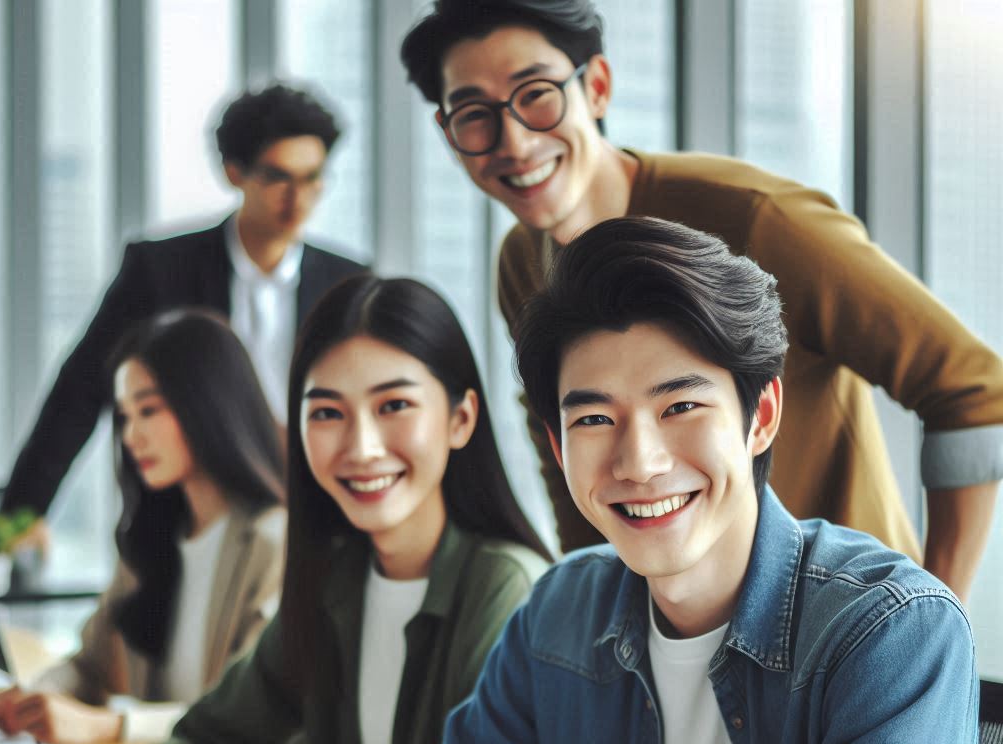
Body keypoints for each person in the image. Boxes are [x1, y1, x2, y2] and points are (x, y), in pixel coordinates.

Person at [357, 218, 1003, 744]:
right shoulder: (560, 617)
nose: (639, 461)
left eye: (681, 405)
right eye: (594, 420)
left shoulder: (893, 633)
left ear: (761, 416)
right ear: (556, 444)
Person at [400, 0, 1003, 603]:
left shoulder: (756, 218)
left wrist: (934, 614)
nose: (514, 140)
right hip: (676, 629)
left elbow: (972, 390)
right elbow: (564, 455)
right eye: (474, 115)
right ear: (449, 135)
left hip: (839, 614)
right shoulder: (521, 263)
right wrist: (598, 616)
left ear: (597, 87)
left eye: (536, 94)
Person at [38, 274, 558, 744]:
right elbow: (226, 740)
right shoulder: (337, 578)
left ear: (460, 418)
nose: (361, 447)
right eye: (328, 413)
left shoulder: (508, 589)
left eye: (394, 406)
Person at [1, 83, 365, 519]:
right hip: (182, 514)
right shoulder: (160, 271)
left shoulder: (349, 282)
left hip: (313, 508)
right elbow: (82, 387)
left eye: (312, 178)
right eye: (277, 177)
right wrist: (22, 513)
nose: (298, 198)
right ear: (234, 172)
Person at [0, 310, 286, 744]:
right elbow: (88, 666)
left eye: (148, 410)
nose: (131, 435)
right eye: (124, 416)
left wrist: (111, 726)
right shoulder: (152, 537)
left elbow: (250, 713)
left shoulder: (275, 543)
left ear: (207, 405)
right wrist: (33, 699)